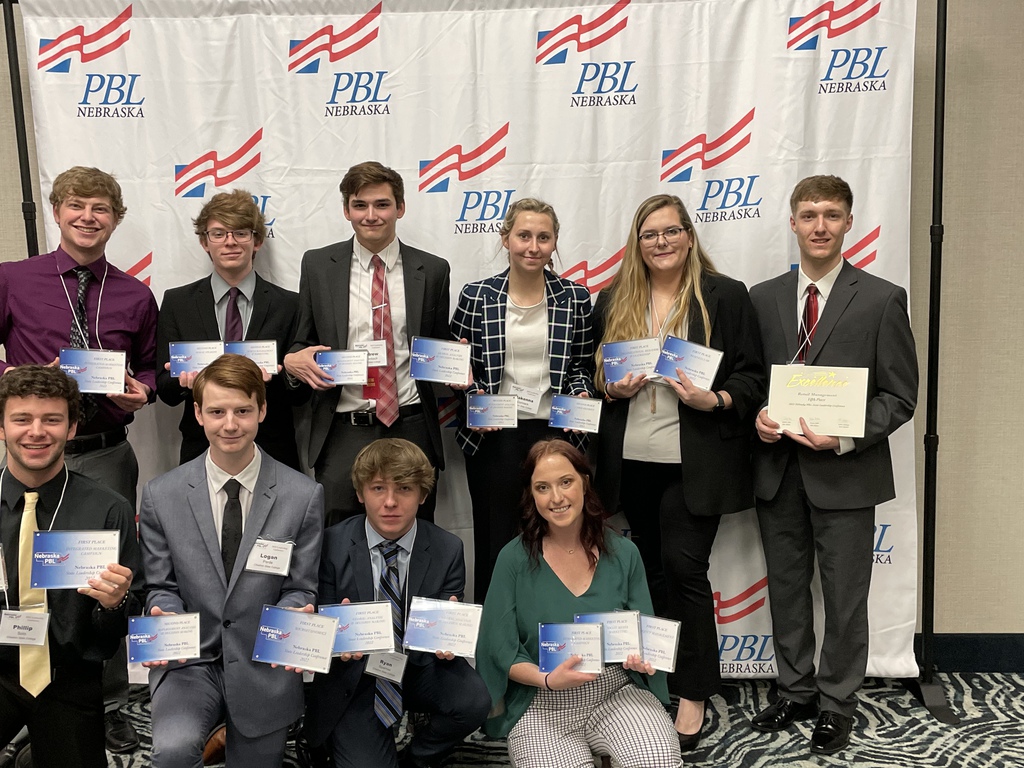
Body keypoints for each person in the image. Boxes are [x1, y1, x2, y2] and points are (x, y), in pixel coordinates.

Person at [748, 175, 917, 755]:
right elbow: (750, 384)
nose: (820, 226)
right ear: (792, 222)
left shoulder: (881, 298)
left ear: (849, 223)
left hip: (846, 473)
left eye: (832, 215)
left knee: (845, 596)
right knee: (787, 589)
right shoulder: (762, 297)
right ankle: (794, 690)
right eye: (809, 214)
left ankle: (836, 701)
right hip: (777, 470)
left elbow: (900, 397)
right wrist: (758, 419)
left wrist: (843, 438)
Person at [592, 193, 765, 749]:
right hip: (631, 463)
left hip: (695, 465)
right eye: (649, 234)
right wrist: (608, 386)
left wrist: (712, 401)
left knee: (684, 570)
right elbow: (592, 369)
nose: (661, 242)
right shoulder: (616, 296)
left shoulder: (724, 296)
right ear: (636, 243)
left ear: (689, 236)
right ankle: (658, 681)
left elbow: (751, 377)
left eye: (671, 232)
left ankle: (692, 694)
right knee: (652, 575)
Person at [0, 165, 157, 753]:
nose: (88, 217)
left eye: (102, 209)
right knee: (17, 572)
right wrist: (7, 378)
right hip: (33, 454)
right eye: (77, 206)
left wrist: (143, 389)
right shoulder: (14, 278)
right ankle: (15, 689)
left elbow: (149, 370)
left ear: (115, 220)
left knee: (103, 582)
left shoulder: (135, 294)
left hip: (105, 454)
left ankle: (105, 698)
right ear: (57, 211)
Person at [139, 354, 324, 767]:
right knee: (171, 751)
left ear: (262, 410)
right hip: (190, 659)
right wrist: (162, 612)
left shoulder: (302, 495)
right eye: (217, 411)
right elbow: (161, 586)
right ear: (198, 414)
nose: (230, 424)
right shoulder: (161, 495)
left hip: (263, 659)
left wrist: (296, 613)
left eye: (242, 411)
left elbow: (301, 587)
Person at [476, 439, 682, 768]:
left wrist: (645, 658)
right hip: (540, 699)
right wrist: (547, 680)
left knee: (659, 760)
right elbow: (497, 650)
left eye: (566, 482)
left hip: (616, 691)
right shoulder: (512, 560)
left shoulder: (625, 553)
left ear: (585, 482)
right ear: (531, 495)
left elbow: (644, 634)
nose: (556, 498)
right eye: (542, 487)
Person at [305, 438, 490, 768]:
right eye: (378, 488)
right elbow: (318, 626)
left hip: (420, 665)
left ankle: (417, 758)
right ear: (360, 493)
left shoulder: (447, 548)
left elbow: (447, 623)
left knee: (473, 701)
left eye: (404, 488)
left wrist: (448, 643)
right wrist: (334, 639)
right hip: (356, 675)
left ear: (422, 494)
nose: (390, 502)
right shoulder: (331, 544)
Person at [284, 161, 451, 526]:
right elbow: (303, 340)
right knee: (338, 535)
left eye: (382, 204)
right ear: (346, 210)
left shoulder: (433, 270)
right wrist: (293, 362)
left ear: (400, 208)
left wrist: (457, 362)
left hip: (410, 422)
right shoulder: (318, 266)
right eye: (360, 205)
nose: (371, 215)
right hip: (344, 425)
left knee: (415, 531)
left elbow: (438, 344)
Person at [450, 198, 595, 602]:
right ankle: (494, 648)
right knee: (497, 543)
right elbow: (456, 363)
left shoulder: (575, 297)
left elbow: (582, 362)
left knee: (557, 540)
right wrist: (470, 388)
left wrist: (582, 389)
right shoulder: (478, 296)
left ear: (554, 243)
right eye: (524, 235)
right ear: (505, 238)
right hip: (494, 435)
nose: (533, 246)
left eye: (543, 237)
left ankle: (550, 635)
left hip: (558, 433)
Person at [0, 365, 139, 768]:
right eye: (22, 419)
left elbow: (112, 636)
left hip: (69, 678)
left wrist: (113, 605)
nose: (37, 431)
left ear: (72, 428)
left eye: (52, 419)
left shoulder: (109, 509)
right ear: (2, 428)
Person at [156, 189, 304, 469]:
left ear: (257, 240)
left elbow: (301, 395)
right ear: (204, 242)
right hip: (200, 449)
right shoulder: (177, 303)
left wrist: (285, 376)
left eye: (240, 233)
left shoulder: (290, 304)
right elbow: (164, 389)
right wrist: (185, 381)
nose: (230, 242)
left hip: (273, 449)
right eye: (219, 233)